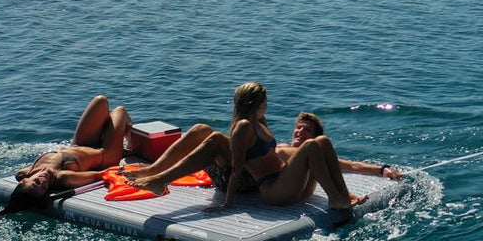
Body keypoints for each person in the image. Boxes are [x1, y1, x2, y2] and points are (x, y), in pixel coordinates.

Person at [125, 82, 365, 213]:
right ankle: (158, 176)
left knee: (321, 141)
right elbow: (237, 170)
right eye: (265, 101)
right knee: (313, 146)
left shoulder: (260, 122)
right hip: (273, 189)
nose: (268, 104)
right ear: (258, 103)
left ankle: (340, 197)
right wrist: (226, 205)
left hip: (285, 182)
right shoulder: (242, 128)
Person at [127, 110, 403, 182]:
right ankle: (152, 169)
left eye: (306, 130)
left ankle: (158, 177)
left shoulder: (308, 153)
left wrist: (381, 169)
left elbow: (345, 165)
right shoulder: (278, 143)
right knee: (200, 129)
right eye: (298, 127)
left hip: (247, 180)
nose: (299, 131)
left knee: (212, 138)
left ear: (315, 138)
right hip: (235, 170)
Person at [4, 95, 132, 213]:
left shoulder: (23, 174)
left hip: (81, 144)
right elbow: (101, 174)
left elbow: (21, 181)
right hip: (106, 155)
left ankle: (111, 133)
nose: (43, 181)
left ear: (24, 181)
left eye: (37, 182)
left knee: (101, 101)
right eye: (43, 187)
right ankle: (127, 142)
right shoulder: (64, 177)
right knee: (120, 111)